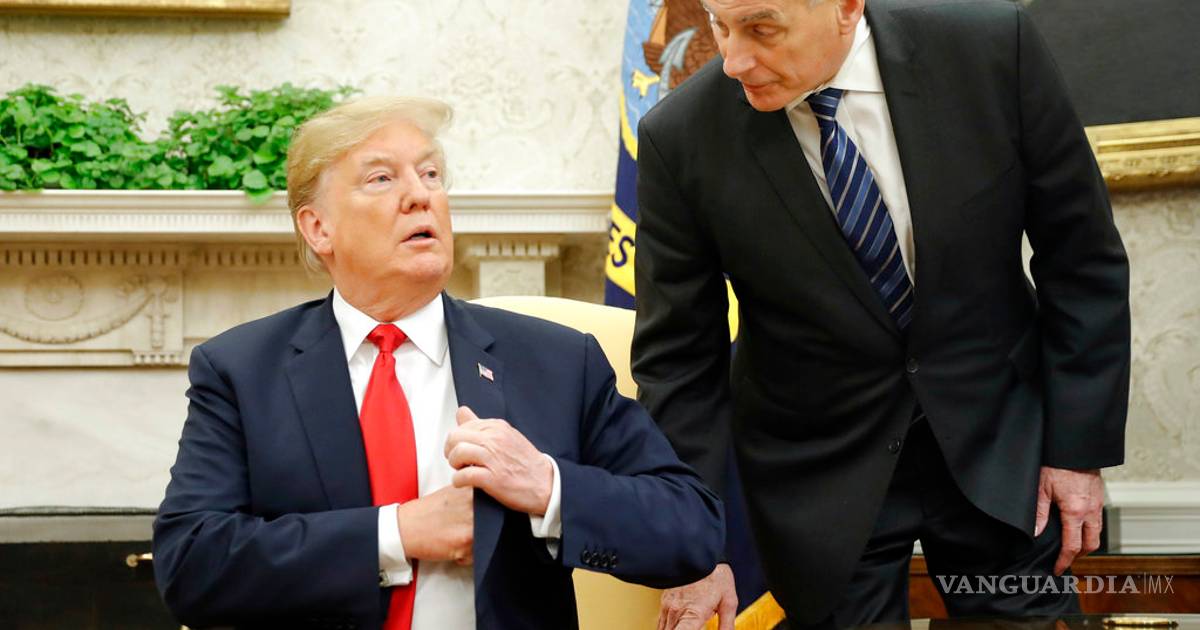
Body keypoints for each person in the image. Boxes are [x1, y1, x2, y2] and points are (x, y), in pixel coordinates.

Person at [632, 0, 1130, 628]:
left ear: (845, 7)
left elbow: (1081, 258)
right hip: (820, 475)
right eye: (719, 25)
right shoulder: (680, 135)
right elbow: (679, 361)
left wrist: (1076, 452)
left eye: (760, 28)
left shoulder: (991, 50)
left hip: (1002, 446)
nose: (734, 60)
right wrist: (692, 544)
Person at [152, 95, 724, 630]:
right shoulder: (241, 370)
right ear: (318, 228)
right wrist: (397, 533)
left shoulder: (557, 361)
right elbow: (190, 563)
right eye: (382, 179)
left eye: (430, 174)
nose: (420, 195)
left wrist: (548, 488)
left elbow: (691, 529)